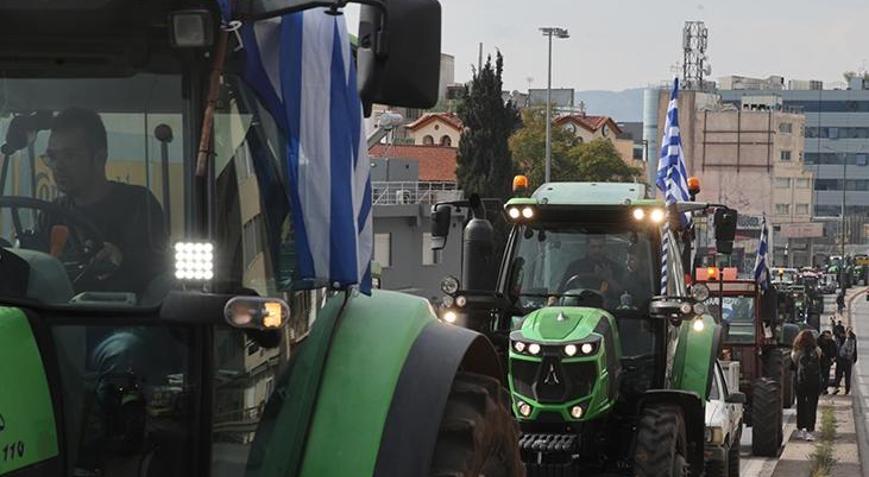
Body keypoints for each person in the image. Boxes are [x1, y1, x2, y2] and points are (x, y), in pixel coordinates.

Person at [37, 107, 168, 295]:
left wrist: (121, 259)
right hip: (59, 316)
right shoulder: (50, 215)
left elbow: (159, 272)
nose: (57, 166)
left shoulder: (139, 205)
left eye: (69, 156)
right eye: (52, 157)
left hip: (127, 318)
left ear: (100, 158)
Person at [559, 235, 626, 302]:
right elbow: (562, 291)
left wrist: (609, 279)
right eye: (593, 247)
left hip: (608, 309)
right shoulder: (574, 267)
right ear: (587, 248)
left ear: (605, 248)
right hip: (580, 306)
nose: (597, 250)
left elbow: (623, 296)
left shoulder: (615, 268)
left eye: (600, 247)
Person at [792, 329, 823, 441]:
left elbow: (794, 363)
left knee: (801, 405)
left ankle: (800, 430)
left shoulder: (797, 351)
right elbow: (820, 362)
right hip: (814, 382)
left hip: (801, 382)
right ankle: (810, 431)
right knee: (812, 406)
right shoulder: (817, 350)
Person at [834, 327, 858, 395]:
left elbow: (854, 349)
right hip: (841, 359)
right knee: (839, 374)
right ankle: (836, 387)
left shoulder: (852, 339)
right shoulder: (841, 337)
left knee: (847, 376)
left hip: (847, 359)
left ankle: (847, 389)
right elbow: (837, 347)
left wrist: (855, 357)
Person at [818, 330, 838, 395]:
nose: (828, 337)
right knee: (820, 375)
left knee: (826, 376)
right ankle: (820, 388)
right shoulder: (819, 341)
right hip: (819, 361)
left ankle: (824, 389)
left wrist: (833, 358)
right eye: (826, 336)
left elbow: (835, 351)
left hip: (827, 361)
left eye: (829, 336)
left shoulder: (832, 342)